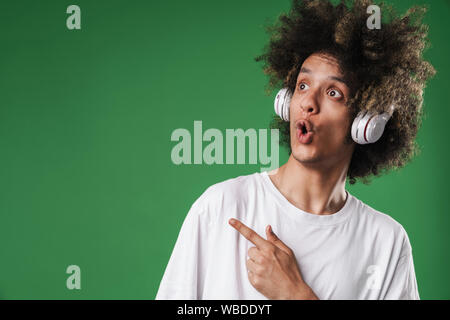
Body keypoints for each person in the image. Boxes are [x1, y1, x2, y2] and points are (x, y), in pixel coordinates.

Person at [155, 0, 435, 300]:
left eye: (333, 93)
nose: (308, 102)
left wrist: (296, 296)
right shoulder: (220, 207)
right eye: (302, 85)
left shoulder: (386, 243)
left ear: (366, 123)